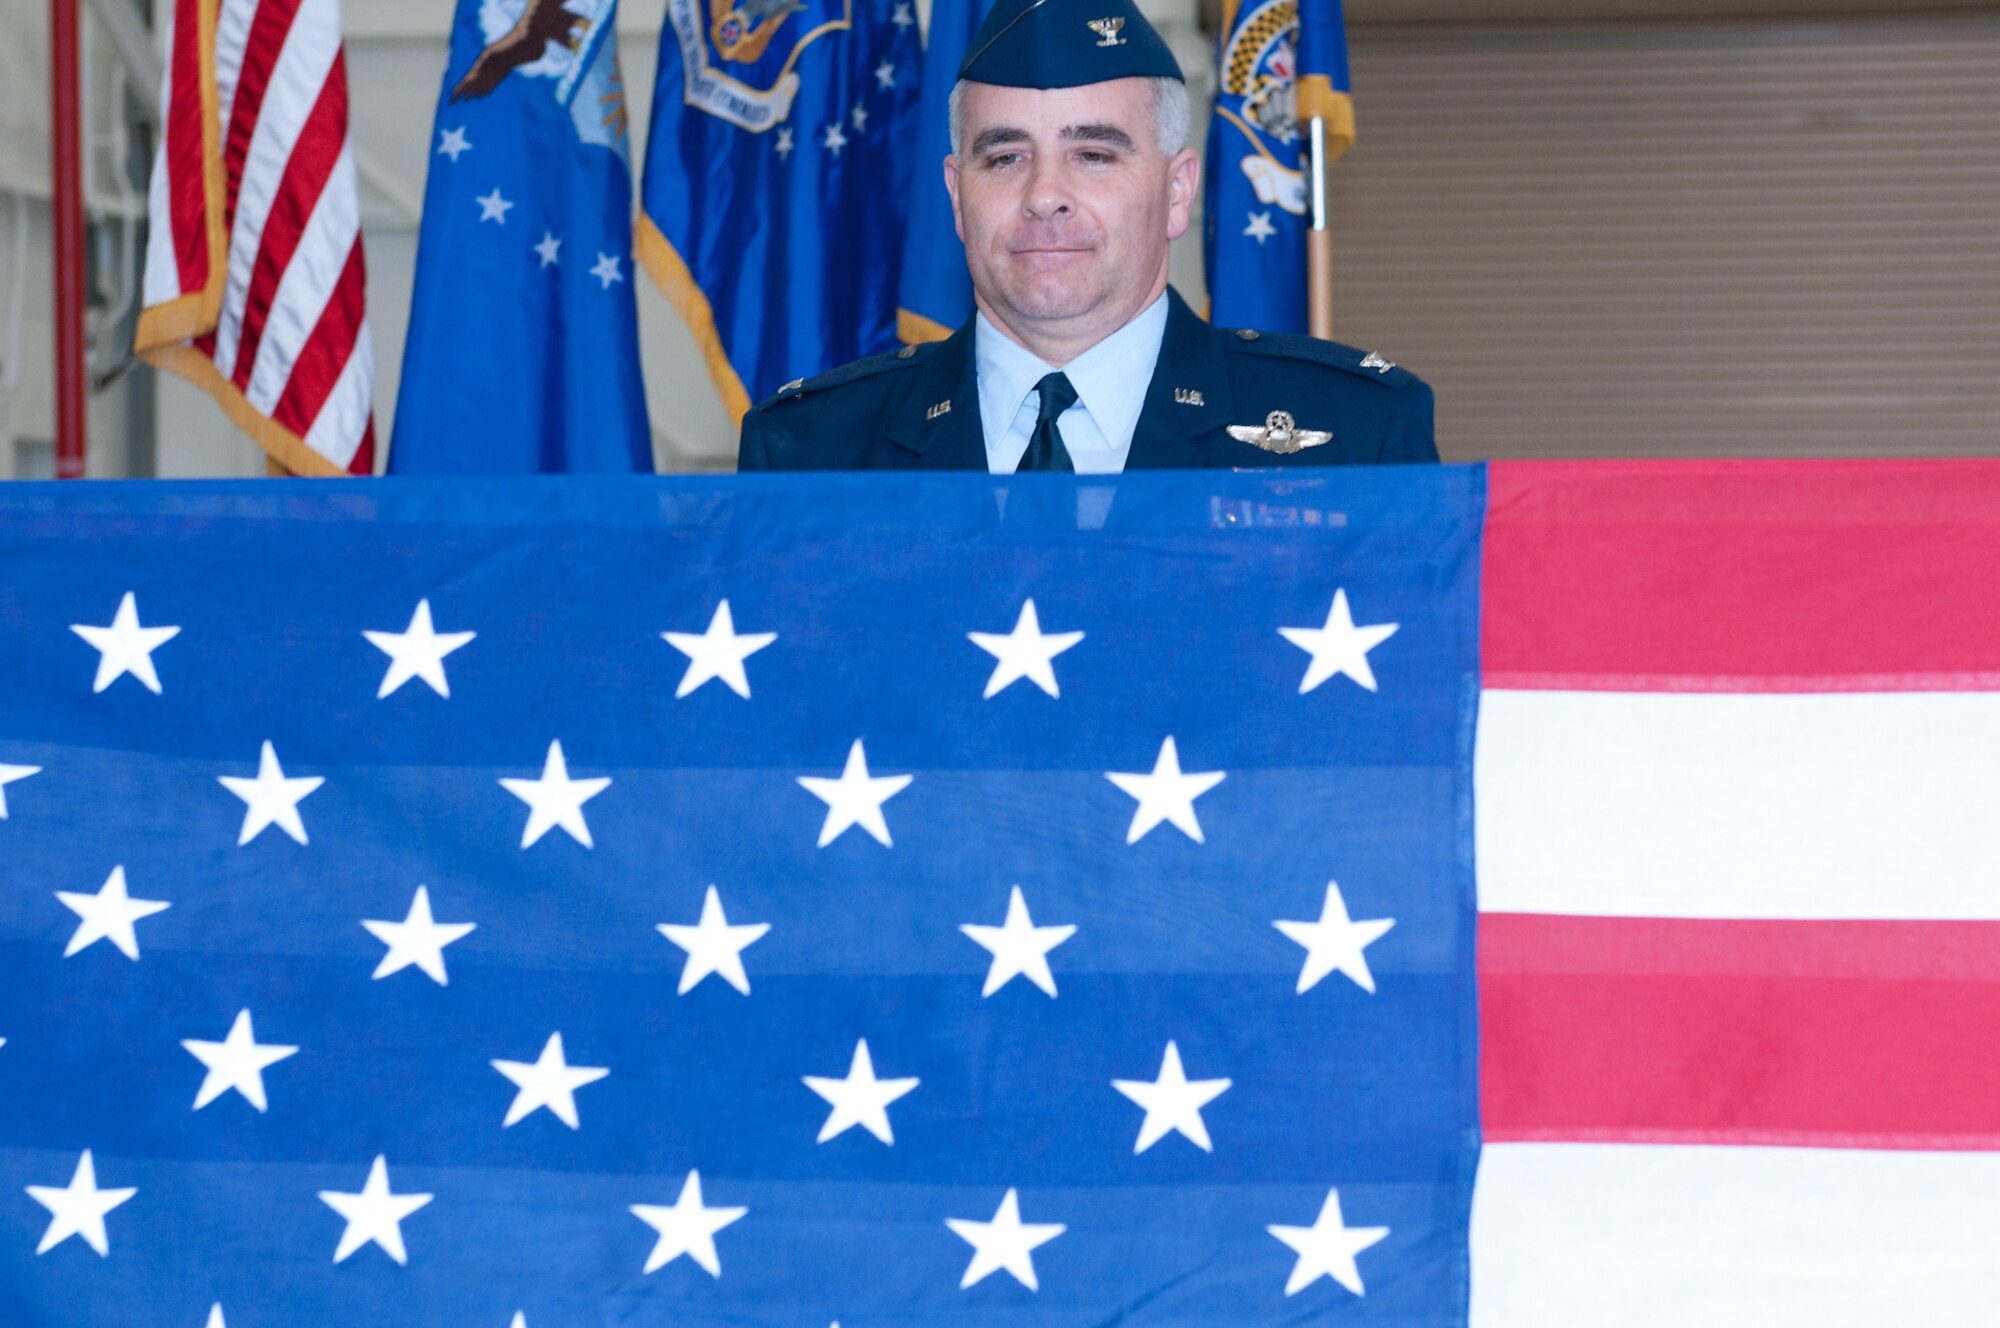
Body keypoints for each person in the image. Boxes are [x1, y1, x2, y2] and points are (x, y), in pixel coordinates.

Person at [737, 0, 1436, 472]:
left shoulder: (1358, 435)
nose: (1044, 196)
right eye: (1005, 157)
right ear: (956, 196)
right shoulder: (809, 451)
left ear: (1177, 191)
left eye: (1093, 156)